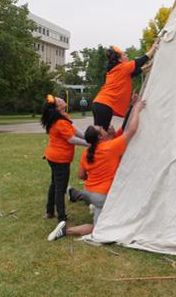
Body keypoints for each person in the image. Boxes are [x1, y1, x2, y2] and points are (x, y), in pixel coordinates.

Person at [47, 99, 145, 240]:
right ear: (100, 136)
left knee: (95, 202)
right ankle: (66, 231)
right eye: (102, 130)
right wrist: (137, 109)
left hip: (88, 192)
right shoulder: (111, 148)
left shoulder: (88, 152)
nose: (105, 129)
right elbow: (132, 130)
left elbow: (81, 175)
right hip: (101, 197)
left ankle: (76, 195)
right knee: (97, 228)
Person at [41, 95, 87, 231]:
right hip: (59, 159)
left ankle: (49, 212)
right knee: (60, 188)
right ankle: (61, 218)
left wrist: (87, 137)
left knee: (55, 184)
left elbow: (74, 130)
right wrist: (88, 143)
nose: (61, 99)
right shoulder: (59, 121)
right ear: (57, 107)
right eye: (59, 101)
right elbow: (71, 139)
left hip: (53, 156)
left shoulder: (62, 116)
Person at [91, 44, 157, 129]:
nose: (127, 55)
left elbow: (135, 72)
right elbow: (141, 61)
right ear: (120, 59)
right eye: (124, 54)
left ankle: (95, 141)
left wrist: (148, 66)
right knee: (102, 134)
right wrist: (154, 47)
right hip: (104, 105)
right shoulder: (123, 67)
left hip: (99, 103)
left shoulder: (118, 70)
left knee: (100, 132)